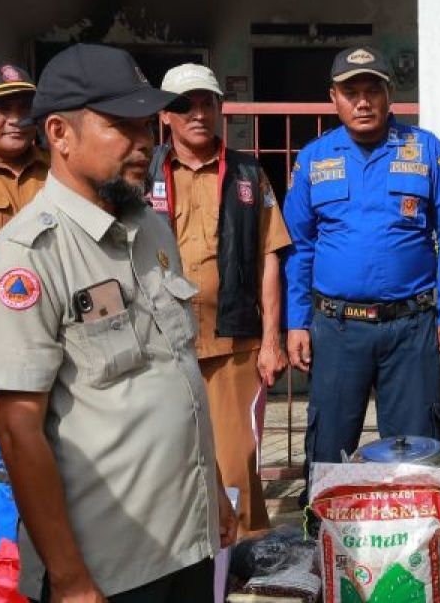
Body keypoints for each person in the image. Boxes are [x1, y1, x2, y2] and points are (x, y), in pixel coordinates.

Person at [0, 43, 235, 602]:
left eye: (147, 124)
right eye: (122, 125)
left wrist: (213, 489)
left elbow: (178, 372)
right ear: (59, 133)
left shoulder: (150, 229)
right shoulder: (29, 256)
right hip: (110, 568)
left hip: (187, 542)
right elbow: (18, 429)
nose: (145, 140)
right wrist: (71, 579)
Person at [283, 46, 440, 484]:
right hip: (337, 329)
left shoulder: (427, 152)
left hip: (410, 326)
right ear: (334, 97)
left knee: (413, 448)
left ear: (390, 96)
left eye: (372, 91)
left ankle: (416, 545)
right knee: (329, 446)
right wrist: (295, 322)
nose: (362, 102)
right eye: (351, 92)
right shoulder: (313, 159)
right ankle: (322, 543)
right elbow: (299, 247)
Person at [148, 63, 292, 536]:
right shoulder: (142, 172)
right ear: (164, 115)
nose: (197, 114)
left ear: (220, 109)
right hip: (159, 346)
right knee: (164, 464)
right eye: (184, 105)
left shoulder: (249, 173)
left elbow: (270, 256)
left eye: (206, 103)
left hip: (233, 344)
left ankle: (244, 560)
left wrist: (272, 340)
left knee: (235, 467)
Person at [0, 61, 47, 525]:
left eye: (24, 107)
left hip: (47, 351)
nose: (14, 118)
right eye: (0, 107)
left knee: (45, 471)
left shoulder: (60, 175)